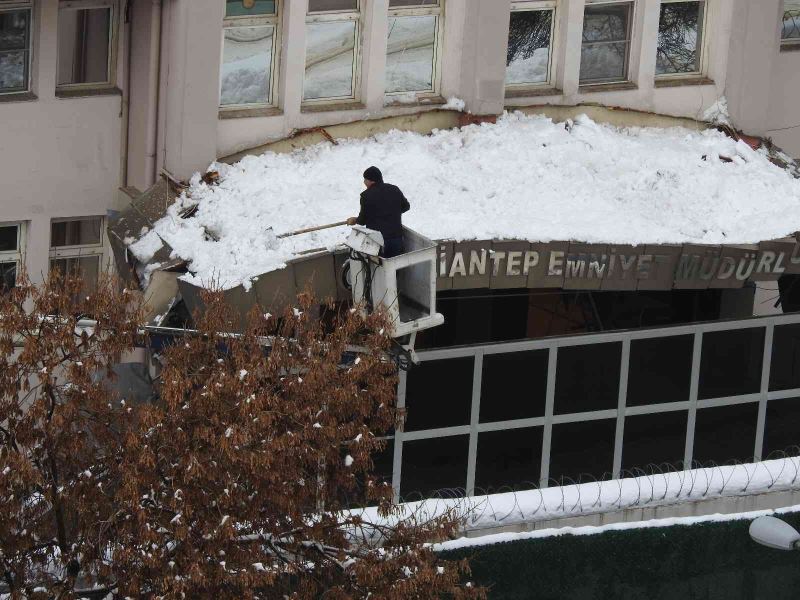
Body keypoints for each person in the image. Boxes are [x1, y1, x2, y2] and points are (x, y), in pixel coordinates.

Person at [346, 166, 410, 258]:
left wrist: (355, 220)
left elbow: (362, 220)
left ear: (372, 180)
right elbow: (406, 206)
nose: (364, 182)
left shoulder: (366, 196)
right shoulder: (394, 189)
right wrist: (392, 212)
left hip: (376, 241)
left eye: (365, 179)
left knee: (378, 269)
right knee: (394, 268)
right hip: (396, 238)